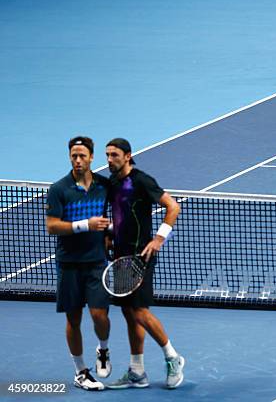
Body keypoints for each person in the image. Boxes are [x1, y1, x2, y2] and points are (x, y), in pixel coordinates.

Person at [104, 138, 184, 390]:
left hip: (141, 256)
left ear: (128, 156)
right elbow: (118, 212)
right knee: (129, 313)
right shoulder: (113, 182)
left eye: (114, 155)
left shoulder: (141, 181)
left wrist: (159, 238)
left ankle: (173, 358)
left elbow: (173, 206)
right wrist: (108, 235)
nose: (109, 160)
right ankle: (137, 371)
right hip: (120, 256)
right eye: (107, 155)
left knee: (139, 311)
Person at [46, 136, 112, 391]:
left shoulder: (105, 186)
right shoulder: (59, 189)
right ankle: (80, 371)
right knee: (73, 319)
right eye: (74, 155)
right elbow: (52, 226)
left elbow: (112, 217)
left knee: (99, 315)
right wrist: (85, 225)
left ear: (92, 157)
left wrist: (108, 234)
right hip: (69, 264)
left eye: (82, 155)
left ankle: (103, 350)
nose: (78, 160)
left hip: (97, 262)